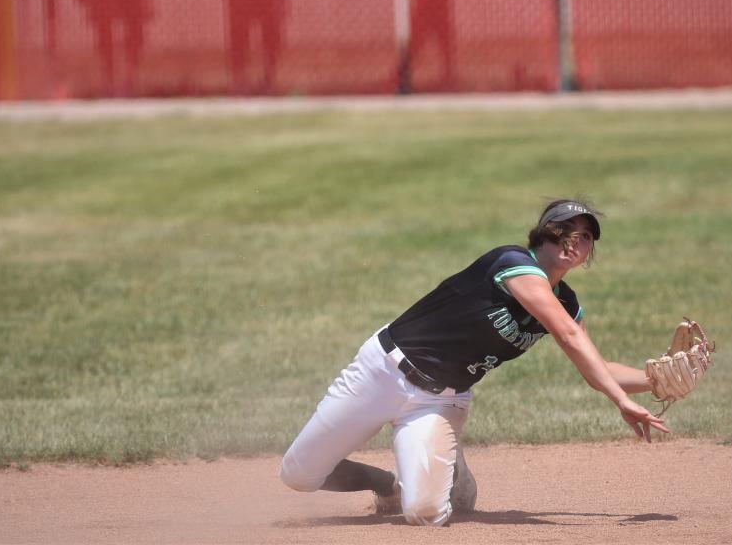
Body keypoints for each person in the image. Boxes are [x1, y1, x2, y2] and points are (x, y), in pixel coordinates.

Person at [279, 198, 668, 527]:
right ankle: (384, 483)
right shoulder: (510, 261)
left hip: (439, 400)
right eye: (565, 230)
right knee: (298, 474)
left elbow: (595, 366)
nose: (575, 241)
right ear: (543, 233)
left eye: (585, 237)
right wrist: (621, 402)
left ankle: (433, 475)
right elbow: (568, 335)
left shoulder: (566, 304)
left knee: (426, 513)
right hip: (381, 371)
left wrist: (656, 380)